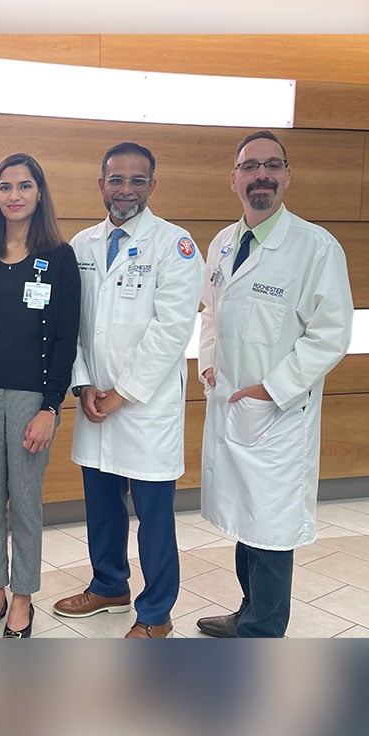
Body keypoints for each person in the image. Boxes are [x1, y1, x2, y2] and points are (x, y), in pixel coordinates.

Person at [196, 130, 353, 638]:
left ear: (287, 175)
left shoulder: (315, 248)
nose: (261, 175)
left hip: (279, 414)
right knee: (245, 522)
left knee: (270, 528)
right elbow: (210, 313)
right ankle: (247, 612)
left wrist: (272, 388)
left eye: (272, 165)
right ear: (234, 180)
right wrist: (209, 364)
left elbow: (330, 335)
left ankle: (262, 637)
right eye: (250, 167)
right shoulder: (222, 243)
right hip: (232, 403)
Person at [52, 142, 203, 639]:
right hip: (93, 400)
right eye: (117, 179)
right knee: (102, 504)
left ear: (153, 186)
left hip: (145, 407)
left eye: (138, 180)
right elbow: (69, 324)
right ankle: (109, 585)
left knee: (154, 515)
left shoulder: (175, 245)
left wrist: (122, 393)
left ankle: (156, 612)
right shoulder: (81, 245)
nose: (126, 190)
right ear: (101, 185)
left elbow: (171, 329)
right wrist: (84, 383)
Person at [0, 153, 81, 639]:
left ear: (39, 193)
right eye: (5, 187)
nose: (14, 195)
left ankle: (23, 595)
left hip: (31, 399)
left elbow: (66, 339)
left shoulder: (60, 258)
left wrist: (51, 408)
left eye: (24, 186)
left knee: (24, 499)